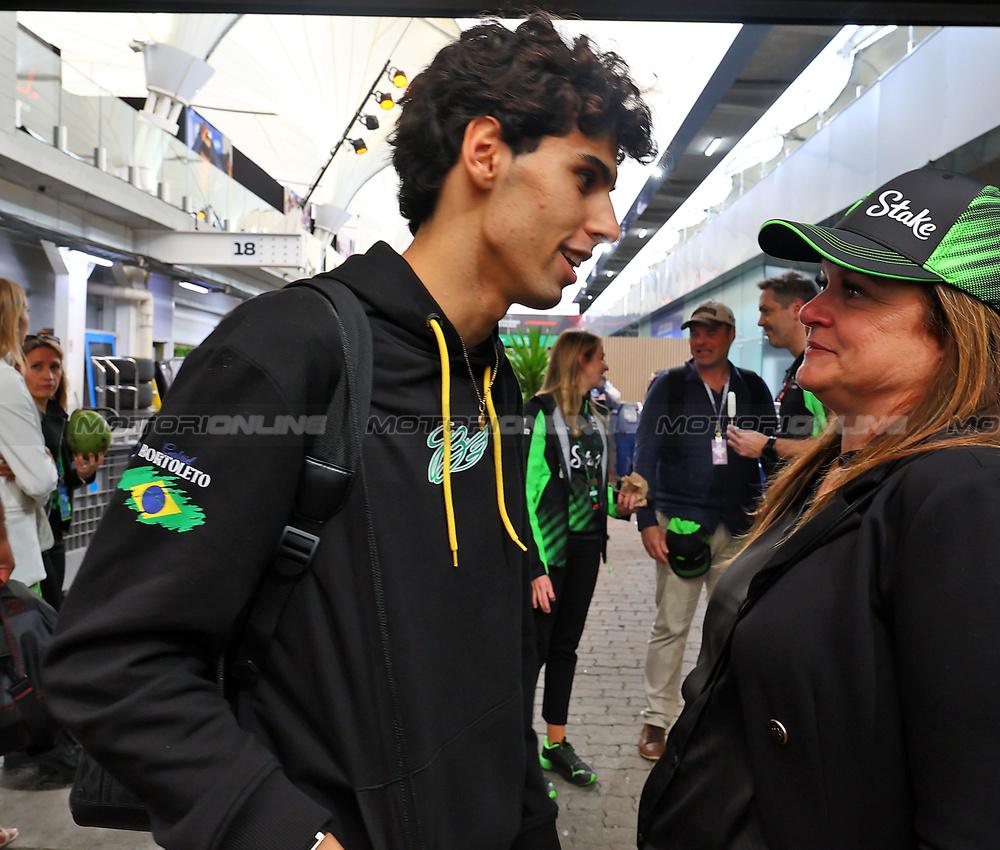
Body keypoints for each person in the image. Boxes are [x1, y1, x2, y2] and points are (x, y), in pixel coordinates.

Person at [44, 15, 654, 850]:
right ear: (485, 152)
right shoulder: (282, 352)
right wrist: (288, 835)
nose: (608, 221)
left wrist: (530, 824)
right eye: (586, 178)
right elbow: (111, 657)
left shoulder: (494, 385)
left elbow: (495, 667)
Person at [638, 167, 1000, 849]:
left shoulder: (981, 504)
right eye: (824, 283)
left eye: (856, 290)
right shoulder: (834, 469)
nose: (812, 311)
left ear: (956, 328)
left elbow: (996, 823)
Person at [633, 299, 774, 761]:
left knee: (732, 627)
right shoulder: (671, 385)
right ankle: (657, 720)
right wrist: (646, 521)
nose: (701, 340)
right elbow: (645, 452)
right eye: (695, 332)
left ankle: (720, 717)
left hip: (739, 524)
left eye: (711, 331)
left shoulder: (752, 387)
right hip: (681, 525)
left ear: (730, 335)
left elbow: (773, 458)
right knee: (671, 625)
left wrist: (772, 520)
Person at [523, 329, 633, 787]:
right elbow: (523, 495)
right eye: (600, 358)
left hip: (587, 548)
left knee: (565, 648)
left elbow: (590, 486)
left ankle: (555, 745)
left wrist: (620, 505)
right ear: (581, 360)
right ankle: (517, 753)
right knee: (533, 653)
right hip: (549, 555)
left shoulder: (594, 415)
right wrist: (535, 569)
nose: (605, 366)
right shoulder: (537, 413)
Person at [21, 333, 102, 610]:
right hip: (26, 529)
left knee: (52, 606)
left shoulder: (60, 419)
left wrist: (83, 474)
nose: (49, 376)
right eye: (37, 367)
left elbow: (62, 477)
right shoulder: (15, 421)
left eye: (54, 367)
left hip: (55, 527)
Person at [726, 270, 824, 464]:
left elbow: (835, 447)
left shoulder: (819, 369)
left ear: (796, 309)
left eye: (767, 311)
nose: (760, 321)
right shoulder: (798, 368)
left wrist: (768, 445)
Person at [0, 279, 58, 592]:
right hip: (13, 559)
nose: (27, 320)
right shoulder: (6, 381)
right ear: (11, 319)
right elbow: (39, 481)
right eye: (25, 311)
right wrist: (44, 458)